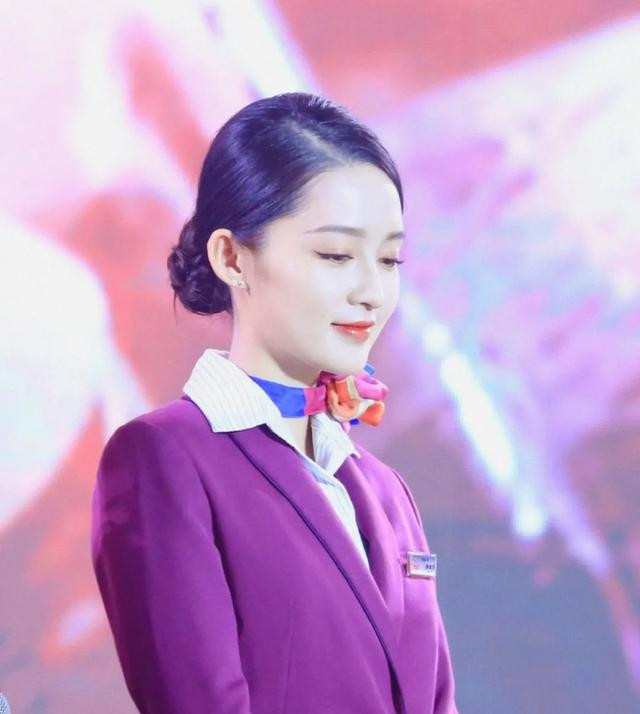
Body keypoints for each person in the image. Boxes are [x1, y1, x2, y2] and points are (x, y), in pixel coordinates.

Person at [91, 91, 458, 714]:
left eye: (389, 259)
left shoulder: (386, 491)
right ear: (232, 257)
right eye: (336, 255)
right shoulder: (164, 458)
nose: (372, 291)